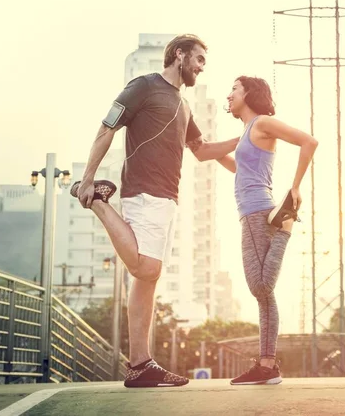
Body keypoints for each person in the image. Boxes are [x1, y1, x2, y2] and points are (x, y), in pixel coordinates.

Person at [70, 34, 239, 388]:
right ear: (179, 55)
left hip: (167, 197)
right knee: (146, 266)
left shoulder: (185, 105)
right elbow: (107, 127)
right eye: (198, 59)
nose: (201, 67)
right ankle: (100, 201)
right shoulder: (143, 86)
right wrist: (87, 181)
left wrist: (247, 145)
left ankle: (140, 364)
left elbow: (203, 150)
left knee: (147, 280)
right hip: (144, 192)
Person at [218, 76, 318, 385]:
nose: (229, 94)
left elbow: (309, 141)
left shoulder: (263, 123)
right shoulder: (248, 132)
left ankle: (286, 230)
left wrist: (296, 187)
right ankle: (267, 365)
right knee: (263, 294)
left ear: (248, 92)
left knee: (260, 288)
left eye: (234, 88)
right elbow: (242, 169)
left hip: (257, 211)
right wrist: (205, 149)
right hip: (250, 213)